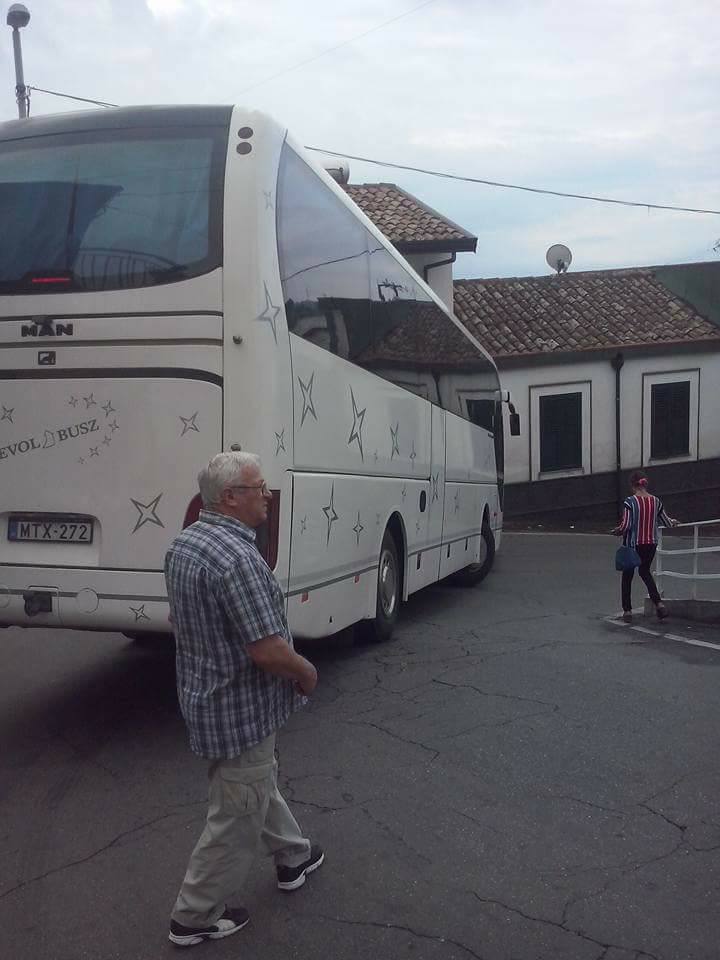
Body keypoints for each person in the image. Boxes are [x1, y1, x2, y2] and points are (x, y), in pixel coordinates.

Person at [165, 451, 322, 948]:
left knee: (252, 782)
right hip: (240, 707)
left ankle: (293, 856)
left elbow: (184, 622)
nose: (268, 497)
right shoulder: (238, 558)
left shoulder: (186, 543)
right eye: (260, 489)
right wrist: (307, 672)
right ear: (231, 498)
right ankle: (193, 916)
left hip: (205, 698)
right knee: (236, 813)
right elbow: (269, 651)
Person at [612, 470, 679, 622]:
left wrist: (617, 531)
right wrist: (674, 521)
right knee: (645, 572)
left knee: (627, 576)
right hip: (651, 543)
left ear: (632, 485)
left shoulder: (630, 502)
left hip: (633, 544)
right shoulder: (656, 501)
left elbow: (626, 525)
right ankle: (659, 604)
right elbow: (667, 522)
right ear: (644, 484)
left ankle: (627, 611)